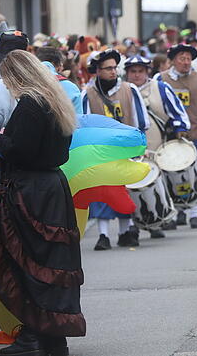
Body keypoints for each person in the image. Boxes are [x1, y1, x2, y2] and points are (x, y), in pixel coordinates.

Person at [0, 51, 85, 356]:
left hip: (31, 190)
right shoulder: (55, 99)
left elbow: (21, 151)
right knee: (51, 263)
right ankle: (52, 337)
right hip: (52, 187)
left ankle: (33, 335)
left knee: (28, 261)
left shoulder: (30, 103)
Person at [82, 49, 149, 249]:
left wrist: (139, 146)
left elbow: (141, 121)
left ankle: (125, 231)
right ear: (97, 70)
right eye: (108, 68)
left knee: (125, 190)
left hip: (126, 150)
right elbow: (84, 124)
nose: (113, 71)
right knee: (102, 192)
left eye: (114, 68)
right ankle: (103, 235)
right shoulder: (87, 93)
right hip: (101, 152)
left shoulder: (130, 90)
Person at [123, 54, 189, 236]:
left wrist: (180, 128)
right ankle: (132, 225)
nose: (137, 75)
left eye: (140, 71)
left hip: (157, 145)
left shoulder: (160, 88)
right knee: (130, 187)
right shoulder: (121, 91)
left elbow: (178, 112)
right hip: (128, 148)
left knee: (158, 185)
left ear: (147, 72)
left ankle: (157, 222)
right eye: (133, 71)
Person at [158, 44, 197, 228]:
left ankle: (195, 212)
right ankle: (178, 212)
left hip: (195, 134)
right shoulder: (161, 80)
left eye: (188, 59)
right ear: (173, 61)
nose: (186, 63)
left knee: (196, 174)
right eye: (181, 59)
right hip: (171, 138)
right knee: (172, 176)